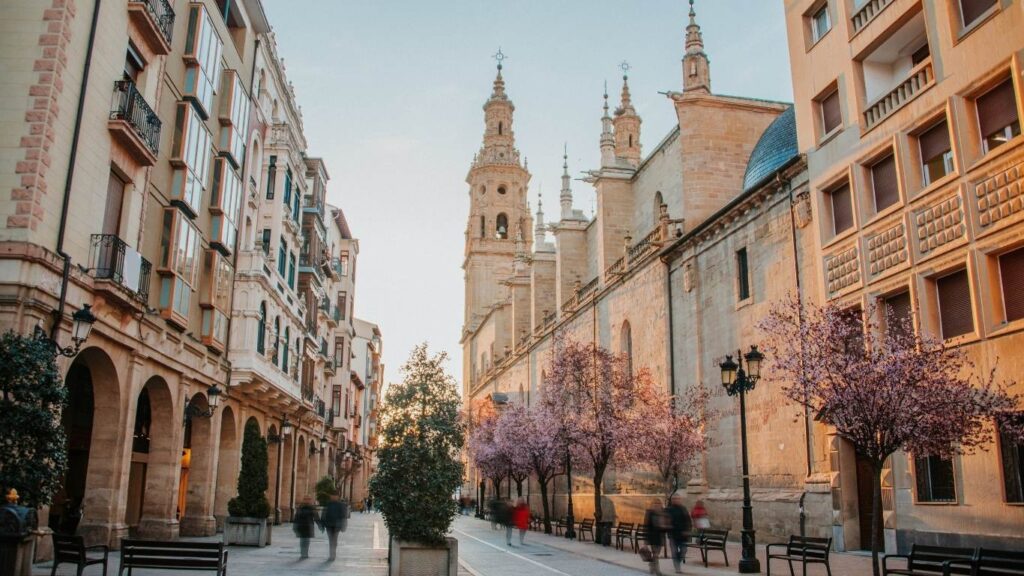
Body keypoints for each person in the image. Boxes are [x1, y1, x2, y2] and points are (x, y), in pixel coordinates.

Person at [665, 494, 693, 574]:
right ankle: (677, 567)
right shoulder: (668, 510)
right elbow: (665, 520)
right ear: (671, 500)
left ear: (680, 500)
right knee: (674, 552)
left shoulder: (683, 509)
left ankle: (677, 560)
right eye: (674, 499)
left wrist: (688, 530)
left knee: (684, 550)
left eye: (677, 499)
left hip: (683, 535)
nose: (676, 500)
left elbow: (688, 520)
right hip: (673, 535)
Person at [320, 494, 350, 561]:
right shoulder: (328, 505)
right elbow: (323, 515)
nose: (333, 497)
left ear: (337, 497)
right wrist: (322, 524)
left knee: (334, 540)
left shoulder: (341, 505)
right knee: (331, 540)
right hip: (329, 525)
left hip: (337, 526)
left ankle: (333, 553)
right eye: (332, 496)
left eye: (335, 496)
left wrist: (343, 526)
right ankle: (332, 555)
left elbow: (344, 516)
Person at [643, 503, 669, 576]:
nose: (657, 506)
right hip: (652, 537)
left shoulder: (663, 514)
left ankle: (651, 564)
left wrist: (665, 526)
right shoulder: (649, 514)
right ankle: (657, 571)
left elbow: (666, 528)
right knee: (656, 555)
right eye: (655, 505)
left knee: (656, 554)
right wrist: (645, 541)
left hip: (660, 537)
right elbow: (646, 528)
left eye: (659, 505)